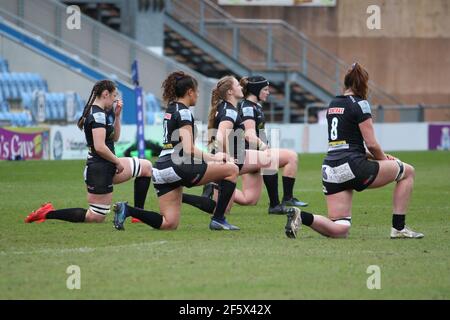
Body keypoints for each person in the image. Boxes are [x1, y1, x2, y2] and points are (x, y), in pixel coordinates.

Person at [285, 63, 423, 239]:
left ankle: (301, 216)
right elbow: (371, 143)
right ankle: (399, 228)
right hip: (353, 166)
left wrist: (378, 157)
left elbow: (346, 144)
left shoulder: (333, 103)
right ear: (363, 84)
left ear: (346, 82)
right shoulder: (361, 104)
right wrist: (384, 160)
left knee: (340, 228)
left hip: (331, 169)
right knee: (408, 172)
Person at [112, 71, 240, 231]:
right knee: (232, 170)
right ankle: (219, 219)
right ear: (190, 92)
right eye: (197, 91)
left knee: (169, 223)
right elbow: (188, 148)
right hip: (178, 165)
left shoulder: (171, 108)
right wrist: (215, 158)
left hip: (160, 169)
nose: (198, 95)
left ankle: (127, 210)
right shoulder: (185, 112)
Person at [24, 80, 153, 224]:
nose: (115, 99)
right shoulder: (97, 115)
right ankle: (47, 213)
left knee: (146, 167)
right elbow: (99, 147)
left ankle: (138, 215)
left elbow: (115, 138)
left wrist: (117, 116)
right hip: (100, 168)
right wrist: (117, 161)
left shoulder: (102, 113)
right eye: (114, 95)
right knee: (95, 217)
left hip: (107, 164)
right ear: (105, 94)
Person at [232, 76, 308, 212]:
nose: (268, 92)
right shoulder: (248, 108)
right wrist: (264, 147)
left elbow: (257, 133)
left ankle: (215, 187)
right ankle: (284, 200)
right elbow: (249, 135)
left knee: (249, 200)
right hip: (250, 155)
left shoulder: (255, 106)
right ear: (255, 90)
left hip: (256, 155)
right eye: (265, 89)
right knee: (291, 156)